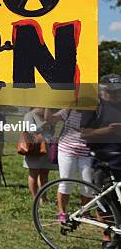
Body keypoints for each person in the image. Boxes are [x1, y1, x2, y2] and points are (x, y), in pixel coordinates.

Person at [80, 74, 121, 249]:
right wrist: (107, 131)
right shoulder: (93, 107)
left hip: (119, 157)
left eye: (118, 91)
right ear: (102, 90)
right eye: (111, 92)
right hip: (102, 159)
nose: (115, 95)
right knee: (107, 202)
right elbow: (84, 134)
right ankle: (109, 239)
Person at [44, 108, 93, 222]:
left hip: (87, 152)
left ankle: (85, 212)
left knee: (88, 185)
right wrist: (47, 105)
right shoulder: (69, 110)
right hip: (67, 150)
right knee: (65, 183)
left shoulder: (95, 110)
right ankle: (62, 213)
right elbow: (50, 119)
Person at [23, 107, 57, 199]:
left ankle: (43, 198)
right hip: (35, 148)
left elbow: (51, 132)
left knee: (45, 173)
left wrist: (51, 124)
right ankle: (35, 198)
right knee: (34, 173)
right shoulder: (29, 115)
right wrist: (46, 123)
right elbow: (31, 130)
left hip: (48, 148)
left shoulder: (48, 117)